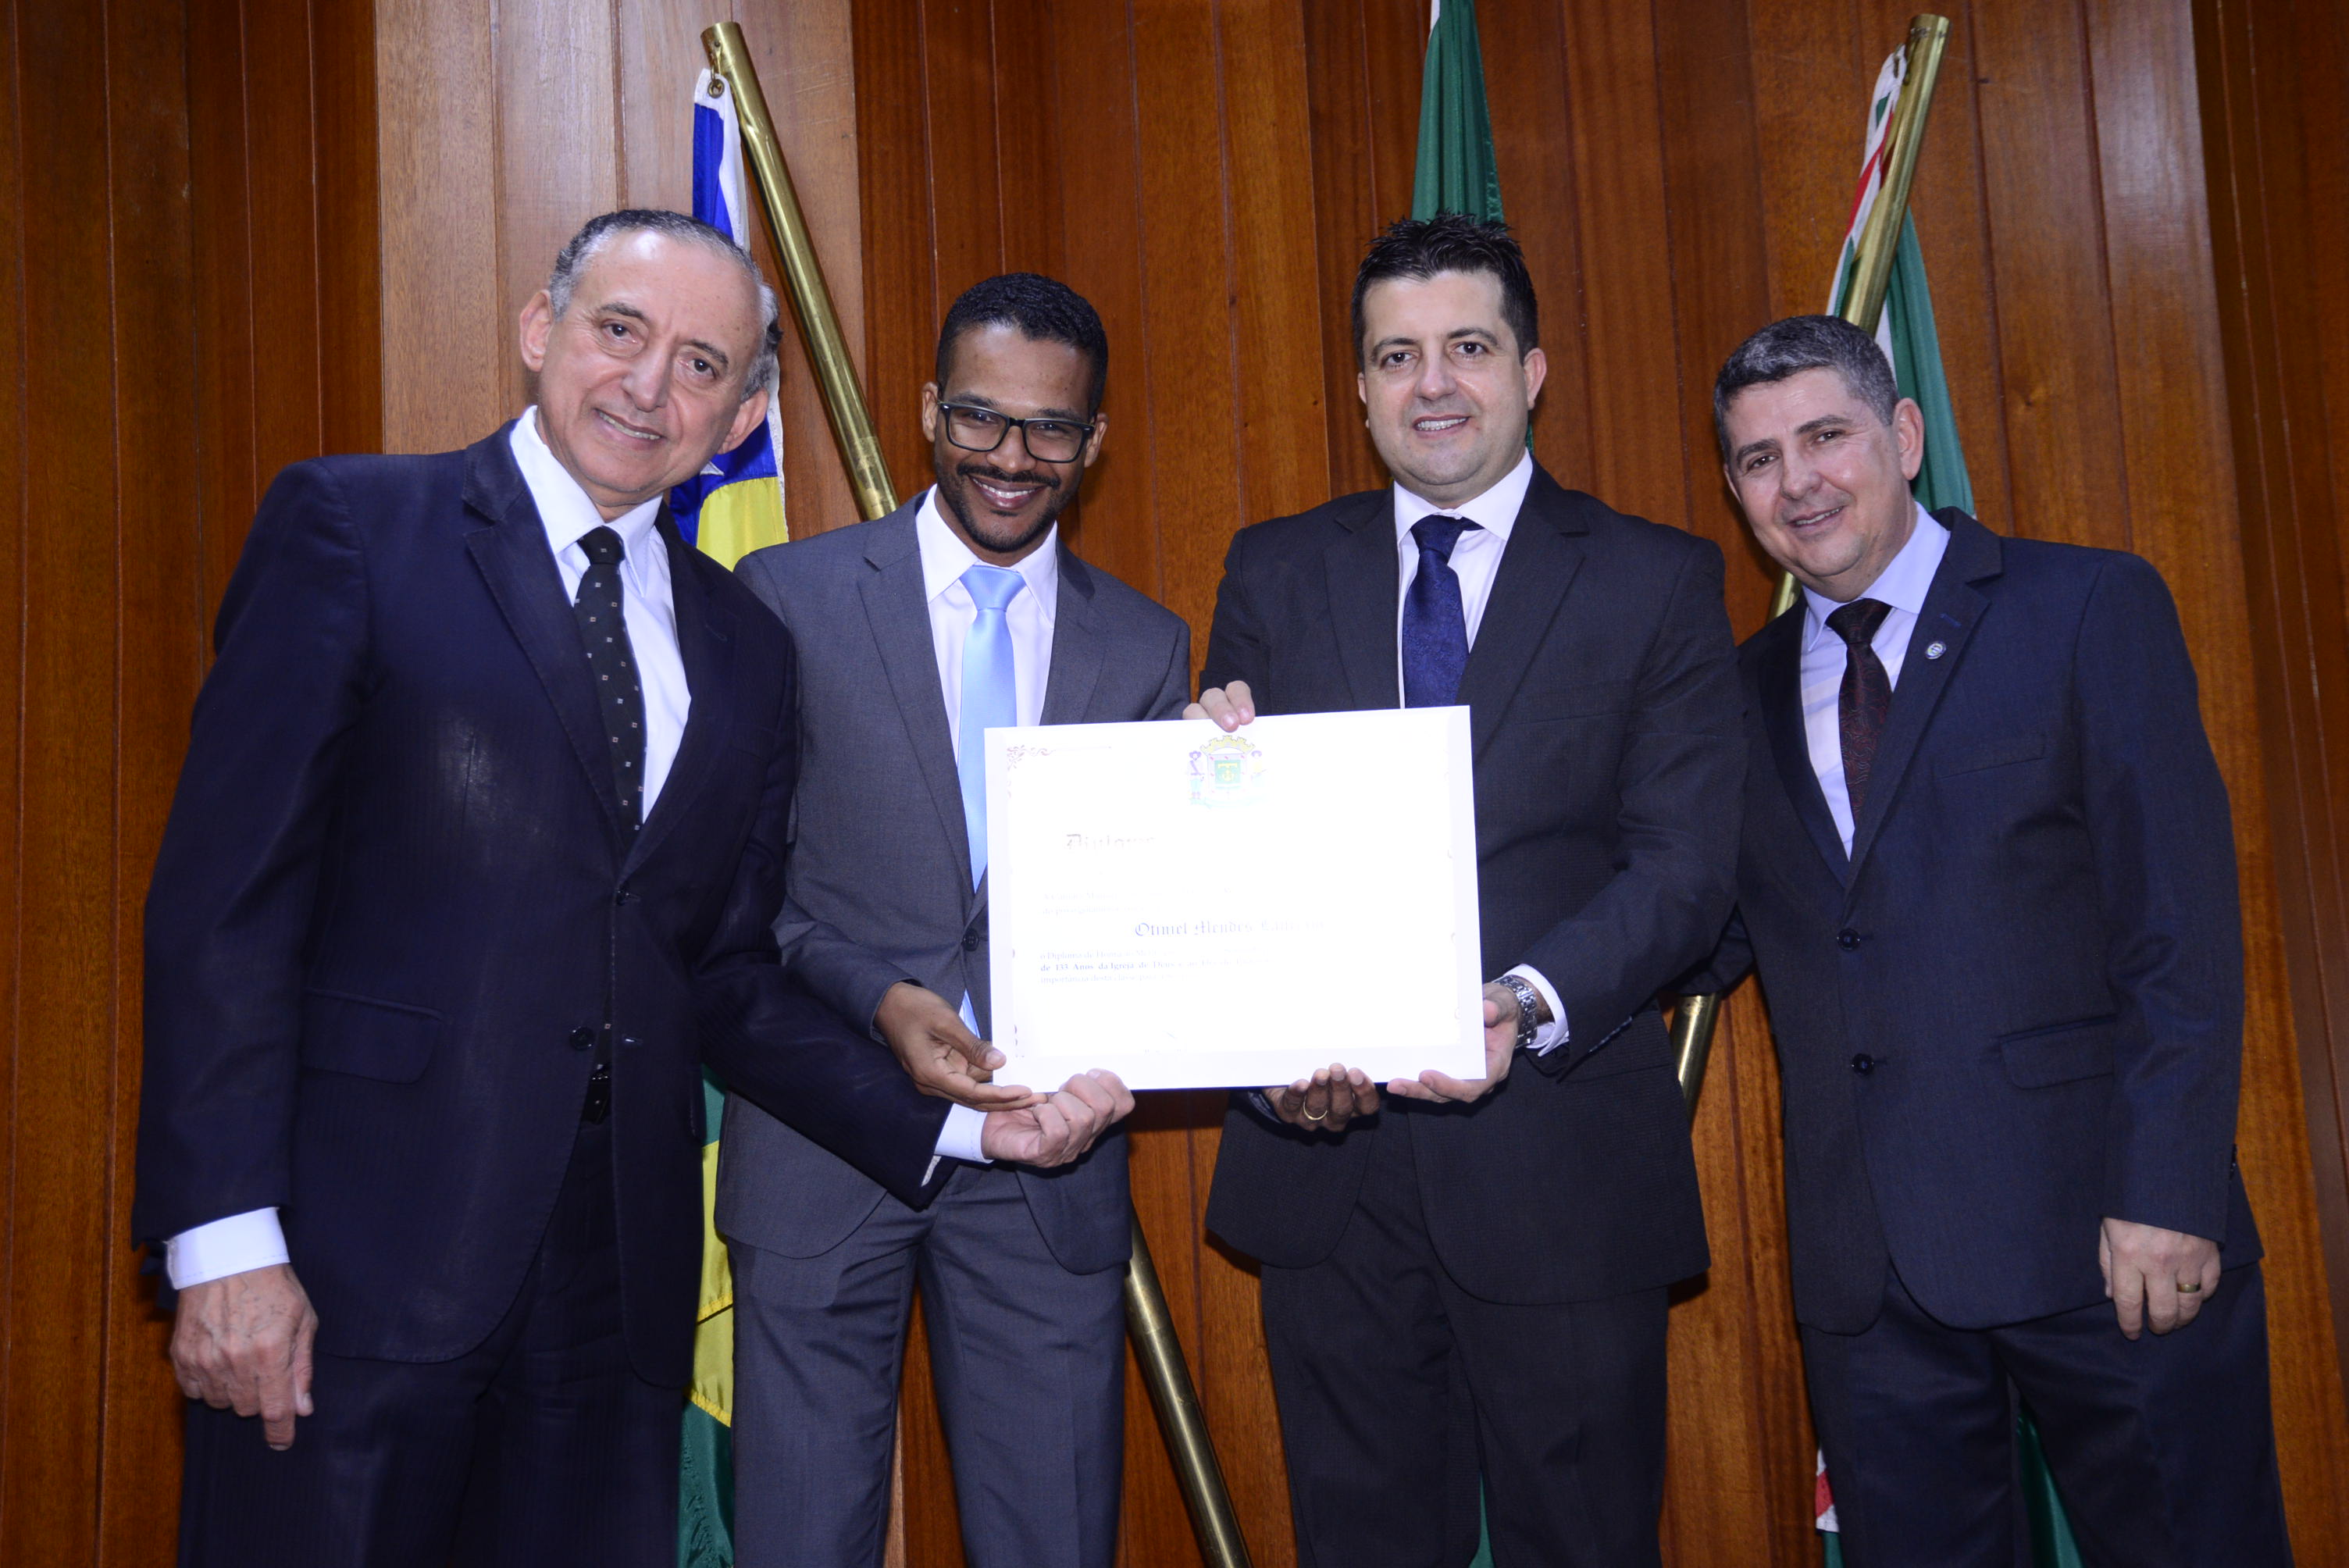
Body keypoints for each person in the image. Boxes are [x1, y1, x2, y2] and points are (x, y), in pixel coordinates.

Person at [134, 210, 1126, 1568]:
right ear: (541, 332)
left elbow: (722, 973)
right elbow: (225, 906)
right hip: (347, 1281)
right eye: (620, 331)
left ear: (744, 416)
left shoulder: (742, 641)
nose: (651, 385)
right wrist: (221, 1241)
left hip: (611, 1311)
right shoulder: (357, 527)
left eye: (702, 364)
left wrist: (966, 1130)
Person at [1189, 214, 1743, 1566]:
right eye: (1397, 356)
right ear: (1362, 387)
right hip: (1328, 1173)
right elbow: (1231, 862)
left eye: (1469, 348)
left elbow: (1686, 867)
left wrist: (1524, 1002)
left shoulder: (1656, 578)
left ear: (1532, 371)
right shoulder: (1275, 569)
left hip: (1562, 1171)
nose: (1432, 383)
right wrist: (1199, 791)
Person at [1691, 314, 2290, 1565]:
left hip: (2111, 1247)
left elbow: (2178, 924)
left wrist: (2169, 1192)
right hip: (1872, 1292)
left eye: (1826, 436)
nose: (1797, 482)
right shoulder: (1732, 699)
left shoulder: (2085, 606)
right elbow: (1694, 928)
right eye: (1758, 459)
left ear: (1905, 436)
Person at [718, 273, 1176, 1568]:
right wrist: (877, 998)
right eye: (980, 417)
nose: (1011, 458)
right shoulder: (785, 596)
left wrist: (1225, 779)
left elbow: (1150, 920)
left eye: (1050, 428)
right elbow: (736, 903)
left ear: (1094, 441)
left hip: (1049, 1168)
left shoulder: (1148, 647)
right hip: (822, 1150)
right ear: (929, 409)